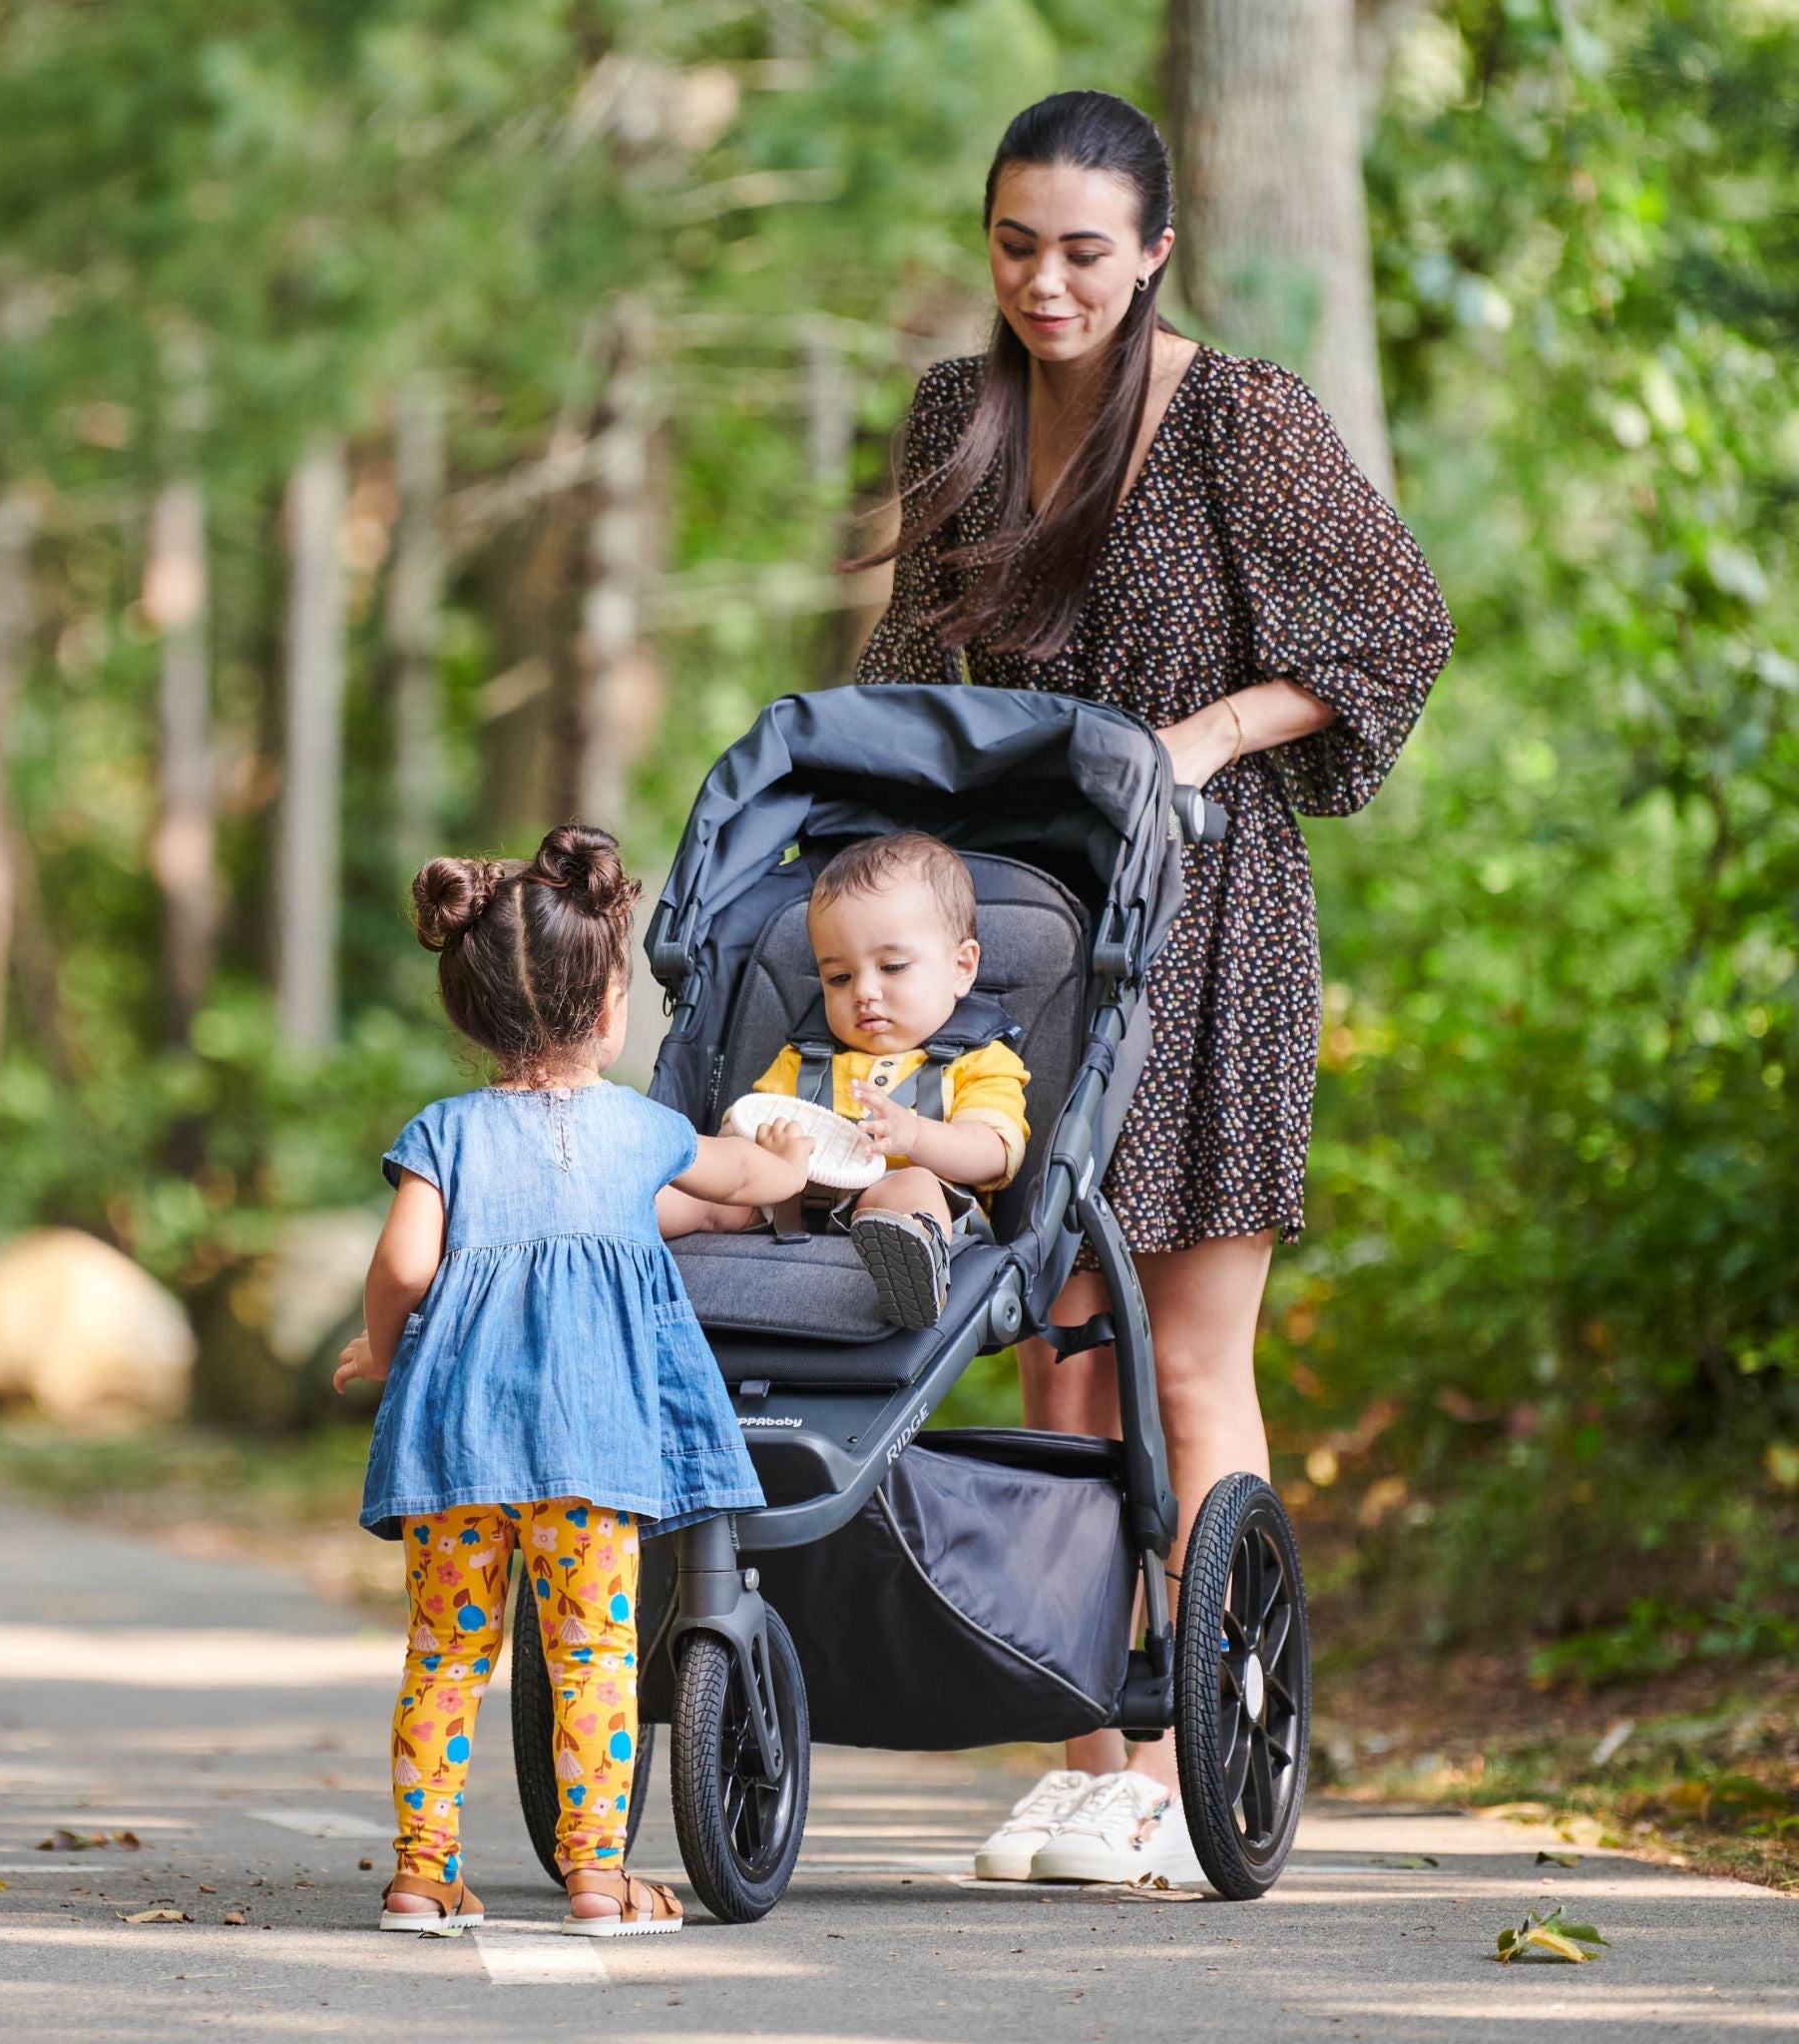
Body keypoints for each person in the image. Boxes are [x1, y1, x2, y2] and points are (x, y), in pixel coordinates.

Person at [849, 91, 1454, 1882]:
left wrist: (1201, 734)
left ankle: (1202, 1752)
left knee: (1184, 1358)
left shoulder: (1239, 420)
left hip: (1208, 928)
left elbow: (1392, 626)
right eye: (1015, 244)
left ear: (1155, 251)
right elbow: (904, 660)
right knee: (1056, 1352)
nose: (1045, 282)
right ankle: (1084, 1750)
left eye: (1084, 251)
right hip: (1026, 929)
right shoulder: (956, 415)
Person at [333, 824, 812, 1936]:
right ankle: (598, 1877)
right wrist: (791, 1157)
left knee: (446, 1654)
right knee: (591, 1653)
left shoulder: (443, 1133)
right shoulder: (637, 1128)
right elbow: (735, 1177)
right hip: (590, 1452)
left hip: (457, 1451)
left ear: (471, 1014)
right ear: (607, 1009)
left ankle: (421, 1872)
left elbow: (405, 1262)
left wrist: (381, 1345)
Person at [658, 831, 1030, 1330]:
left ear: (962, 967)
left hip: (890, 1191)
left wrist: (915, 1136)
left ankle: (913, 1263)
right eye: (839, 978)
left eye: (892, 967)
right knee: (706, 1194)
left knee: (909, 1188)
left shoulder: (981, 1062)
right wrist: (758, 1142)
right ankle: (617, 1222)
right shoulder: (805, 1055)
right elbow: (747, 1122)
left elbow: (994, 1154)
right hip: (787, 1196)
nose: (865, 992)